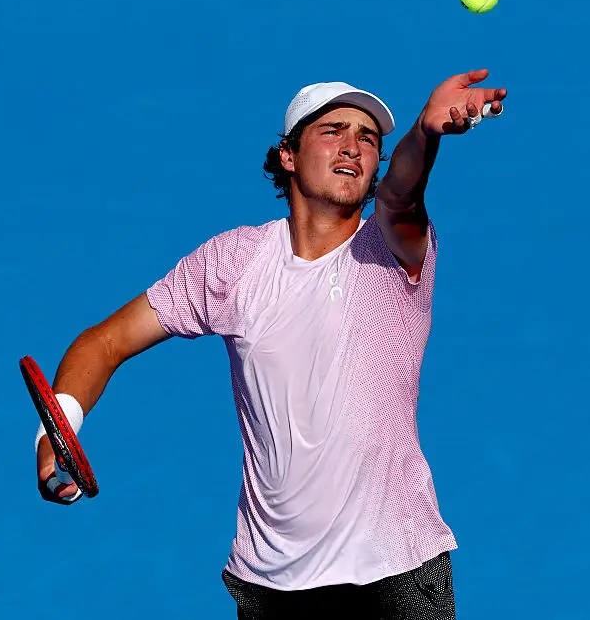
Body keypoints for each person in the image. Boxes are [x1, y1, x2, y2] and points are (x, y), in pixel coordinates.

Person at [34, 69, 507, 619]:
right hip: (270, 585)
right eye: (333, 132)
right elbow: (107, 340)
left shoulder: (394, 245)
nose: (354, 147)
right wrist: (56, 428)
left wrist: (426, 132)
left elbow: (403, 190)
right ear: (288, 155)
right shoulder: (232, 263)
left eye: (369, 138)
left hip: (394, 570)